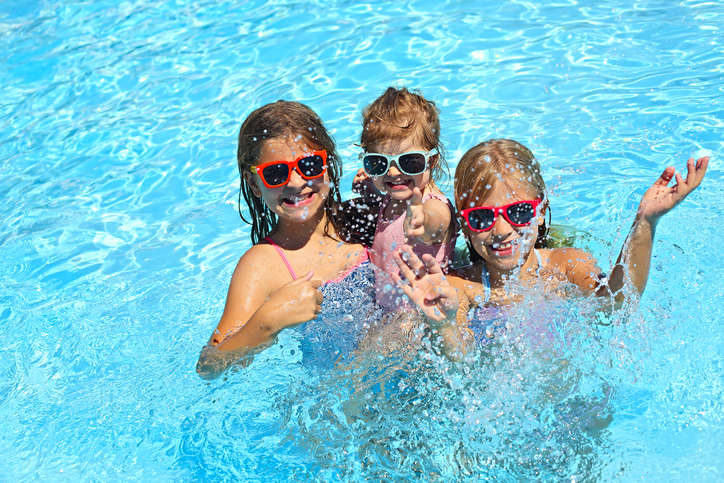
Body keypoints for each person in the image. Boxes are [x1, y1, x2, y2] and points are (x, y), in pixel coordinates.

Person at [393, 138, 709, 359]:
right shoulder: (459, 288)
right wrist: (443, 325)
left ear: (541, 209)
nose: (502, 231)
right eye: (481, 217)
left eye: (518, 212)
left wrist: (644, 225)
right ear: (463, 224)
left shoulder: (565, 265)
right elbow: (462, 360)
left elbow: (615, 305)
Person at [196, 100, 379, 379]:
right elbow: (209, 367)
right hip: (337, 398)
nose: (295, 182)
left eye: (309, 164)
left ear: (327, 166)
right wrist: (270, 320)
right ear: (255, 184)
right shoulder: (263, 265)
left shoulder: (363, 218)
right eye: (275, 173)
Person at [353, 87, 458, 309]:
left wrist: (424, 222)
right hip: (385, 316)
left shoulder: (433, 204)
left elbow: (437, 223)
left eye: (409, 161)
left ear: (432, 161)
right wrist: (370, 189)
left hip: (418, 321)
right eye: (378, 162)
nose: (392, 173)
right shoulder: (393, 195)